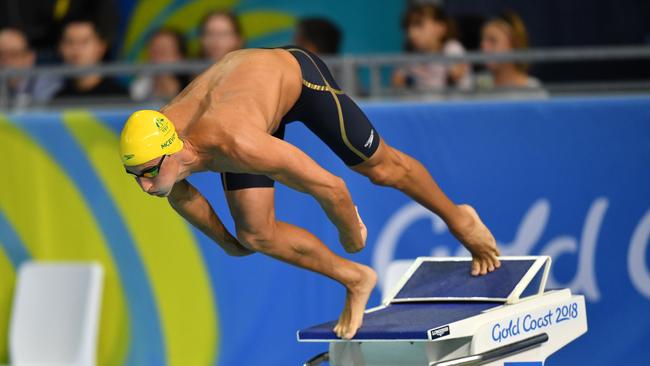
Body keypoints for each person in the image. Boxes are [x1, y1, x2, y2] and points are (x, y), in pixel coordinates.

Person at [119, 46, 500, 340]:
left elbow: (330, 186)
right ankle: (355, 279)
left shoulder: (236, 143)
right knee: (255, 235)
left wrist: (350, 232)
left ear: (173, 150)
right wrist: (229, 244)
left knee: (380, 169)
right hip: (241, 97)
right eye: (134, 175)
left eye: (149, 173)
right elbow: (181, 195)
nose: (144, 185)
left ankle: (459, 218)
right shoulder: (163, 148)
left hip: (294, 77)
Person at [392, 3, 472, 91]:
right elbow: (397, 82)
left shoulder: (452, 47)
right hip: (424, 103)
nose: (411, 33)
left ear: (440, 28)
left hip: (454, 103)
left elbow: (457, 75)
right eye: (408, 27)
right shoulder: (412, 53)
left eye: (418, 25)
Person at [54, 19, 126, 100]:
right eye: (70, 42)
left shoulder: (120, 99)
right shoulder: (58, 100)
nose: (76, 50)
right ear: (60, 48)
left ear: (101, 47)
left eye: (84, 42)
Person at [477, 11, 544, 93]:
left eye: (492, 41)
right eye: (483, 41)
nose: (484, 48)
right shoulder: (478, 85)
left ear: (514, 45)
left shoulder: (532, 90)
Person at [0, 28, 60, 108]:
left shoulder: (48, 83)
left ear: (30, 57)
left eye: (14, 54)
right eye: (1, 54)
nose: (6, 60)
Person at [130, 28, 190, 101]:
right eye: (154, 51)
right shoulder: (139, 85)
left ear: (179, 56)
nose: (157, 58)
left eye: (163, 52)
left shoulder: (190, 88)